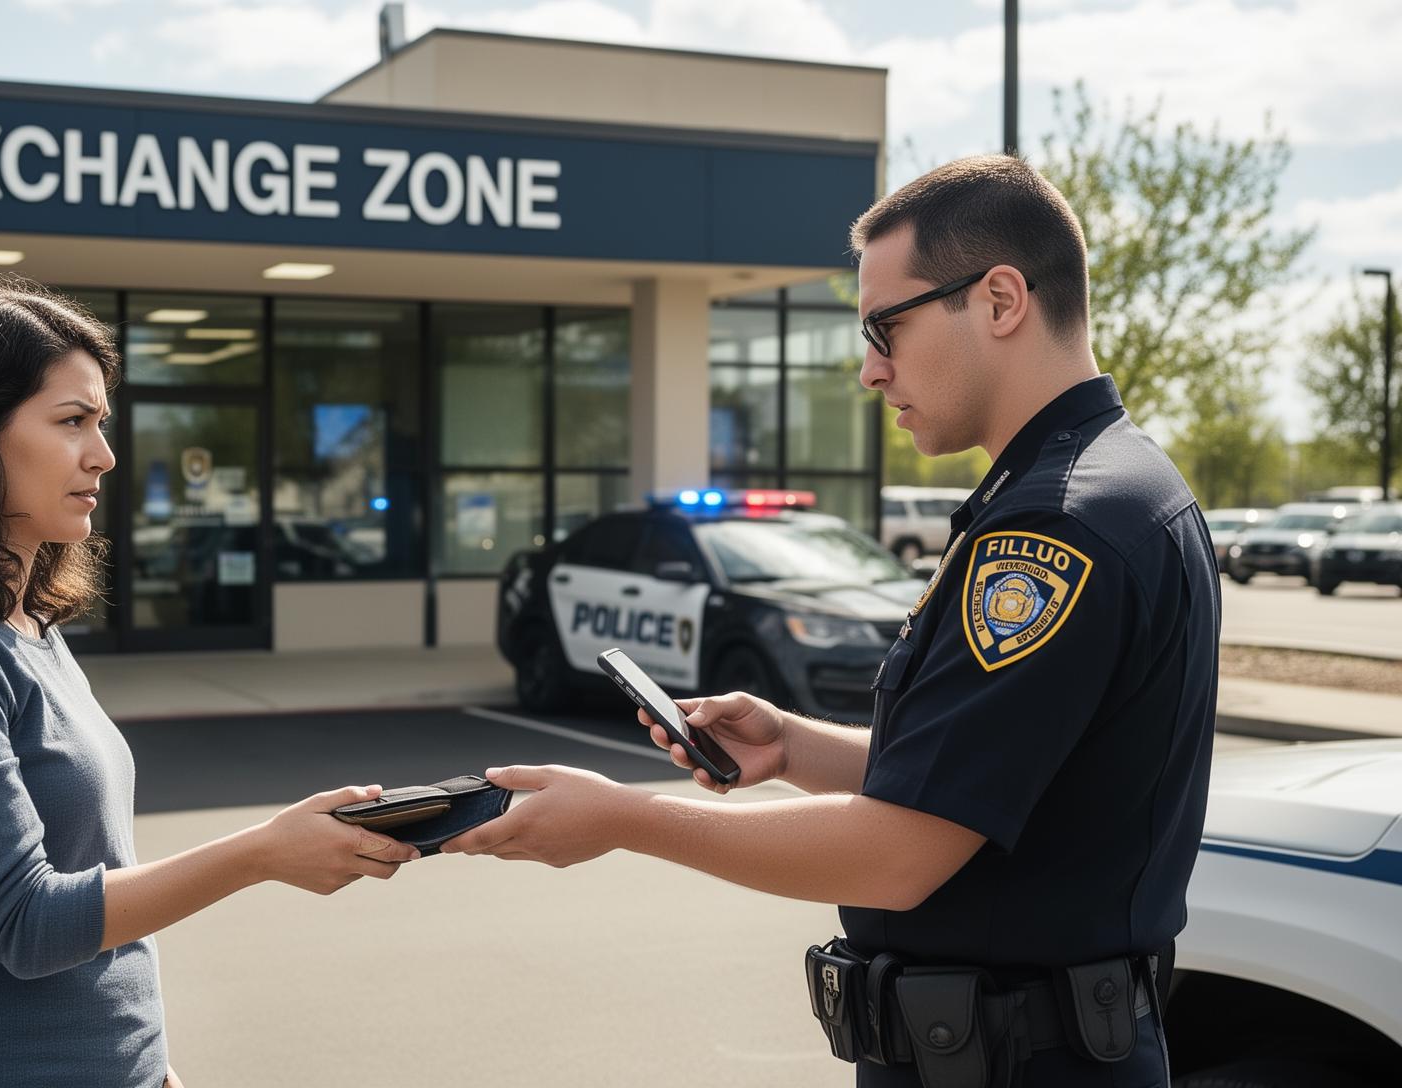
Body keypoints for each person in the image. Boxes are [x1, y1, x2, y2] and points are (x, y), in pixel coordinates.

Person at [443, 155, 1220, 1087]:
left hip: (1017, 1062)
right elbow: (992, 784)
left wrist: (625, 819)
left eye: (886, 327)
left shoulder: (1053, 524)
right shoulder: (1110, 486)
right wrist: (791, 748)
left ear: (1002, 298)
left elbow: (899, 856)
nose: (868, 369)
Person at [0, 278, 422, 1088]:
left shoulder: (24, 625)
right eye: (72, 422)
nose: (103, 455)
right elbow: (26, 923)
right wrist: (262, 852)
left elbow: (95, 896)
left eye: (100, 423)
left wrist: (148, 1064)